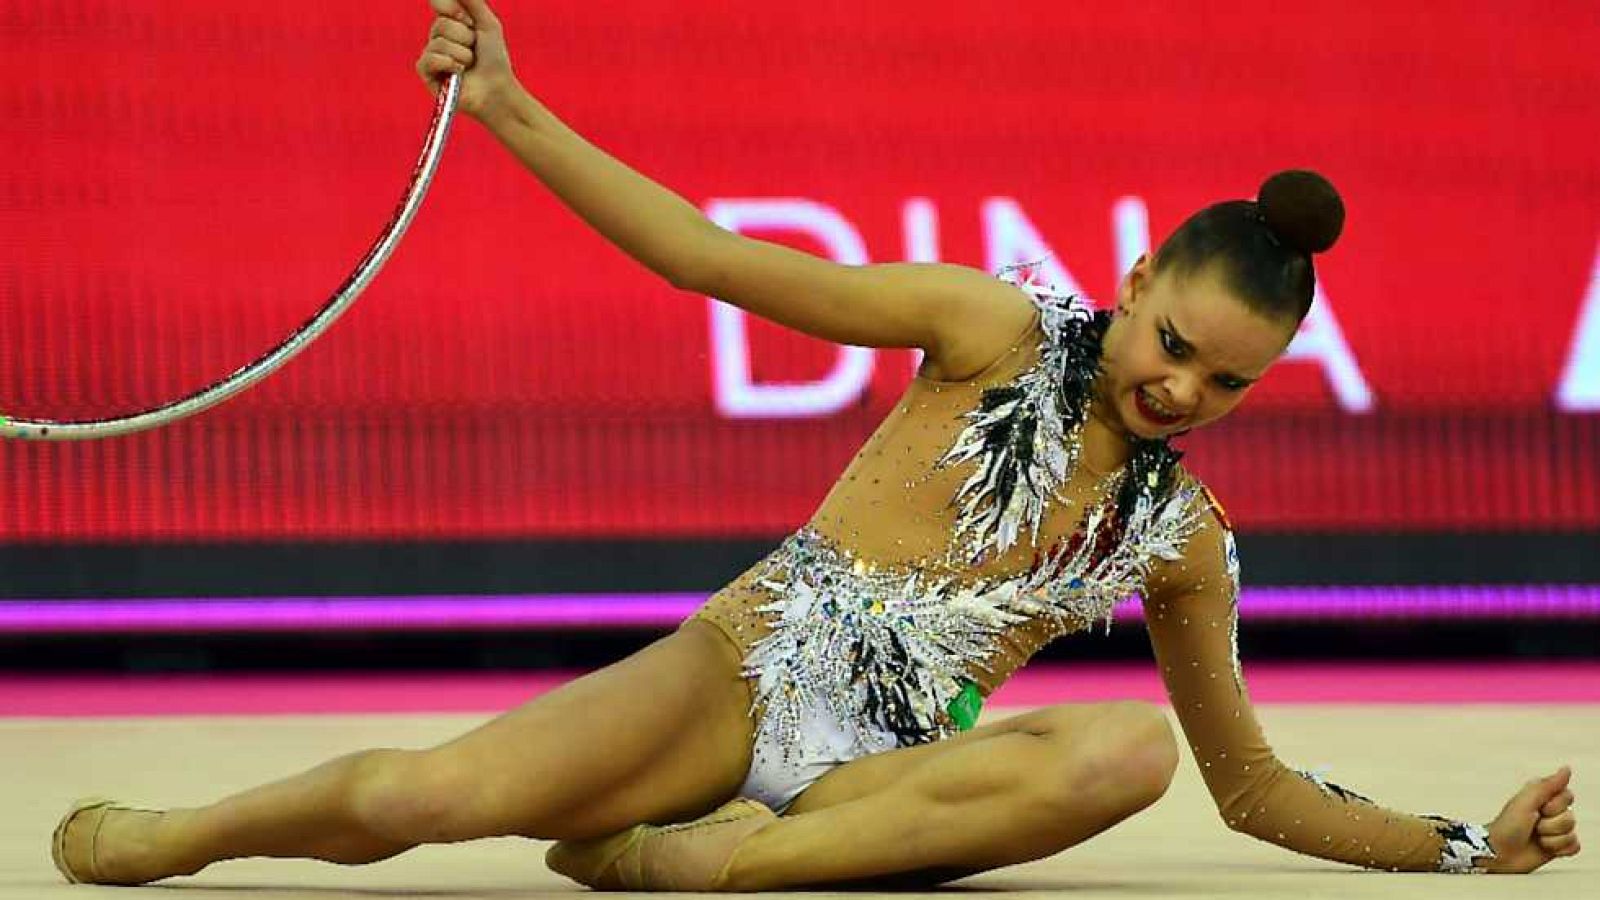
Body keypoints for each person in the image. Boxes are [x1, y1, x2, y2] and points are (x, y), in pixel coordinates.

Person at [51, 0, 1582, 890]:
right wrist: (511, 109)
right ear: (1128, 293)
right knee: (414, 804)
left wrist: (1463, 850)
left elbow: (1248, 789)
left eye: (1229, 384)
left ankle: (689, 867)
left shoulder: (1185, 540)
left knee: (1128, 753)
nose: (1183, 391)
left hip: (890, 793)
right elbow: (717, 263)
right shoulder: (984, 327)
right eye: (1173, 345)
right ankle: (187, 837)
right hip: (745, 673)